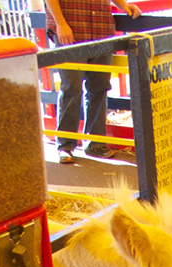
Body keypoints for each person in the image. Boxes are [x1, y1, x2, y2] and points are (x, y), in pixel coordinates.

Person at [45, 0, 141, 164]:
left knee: (100, 87)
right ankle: (65, 145)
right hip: (72, 27)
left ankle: (95, 143)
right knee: (71, 88)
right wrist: (60, 23)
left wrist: (124, 6)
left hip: (101, 29)